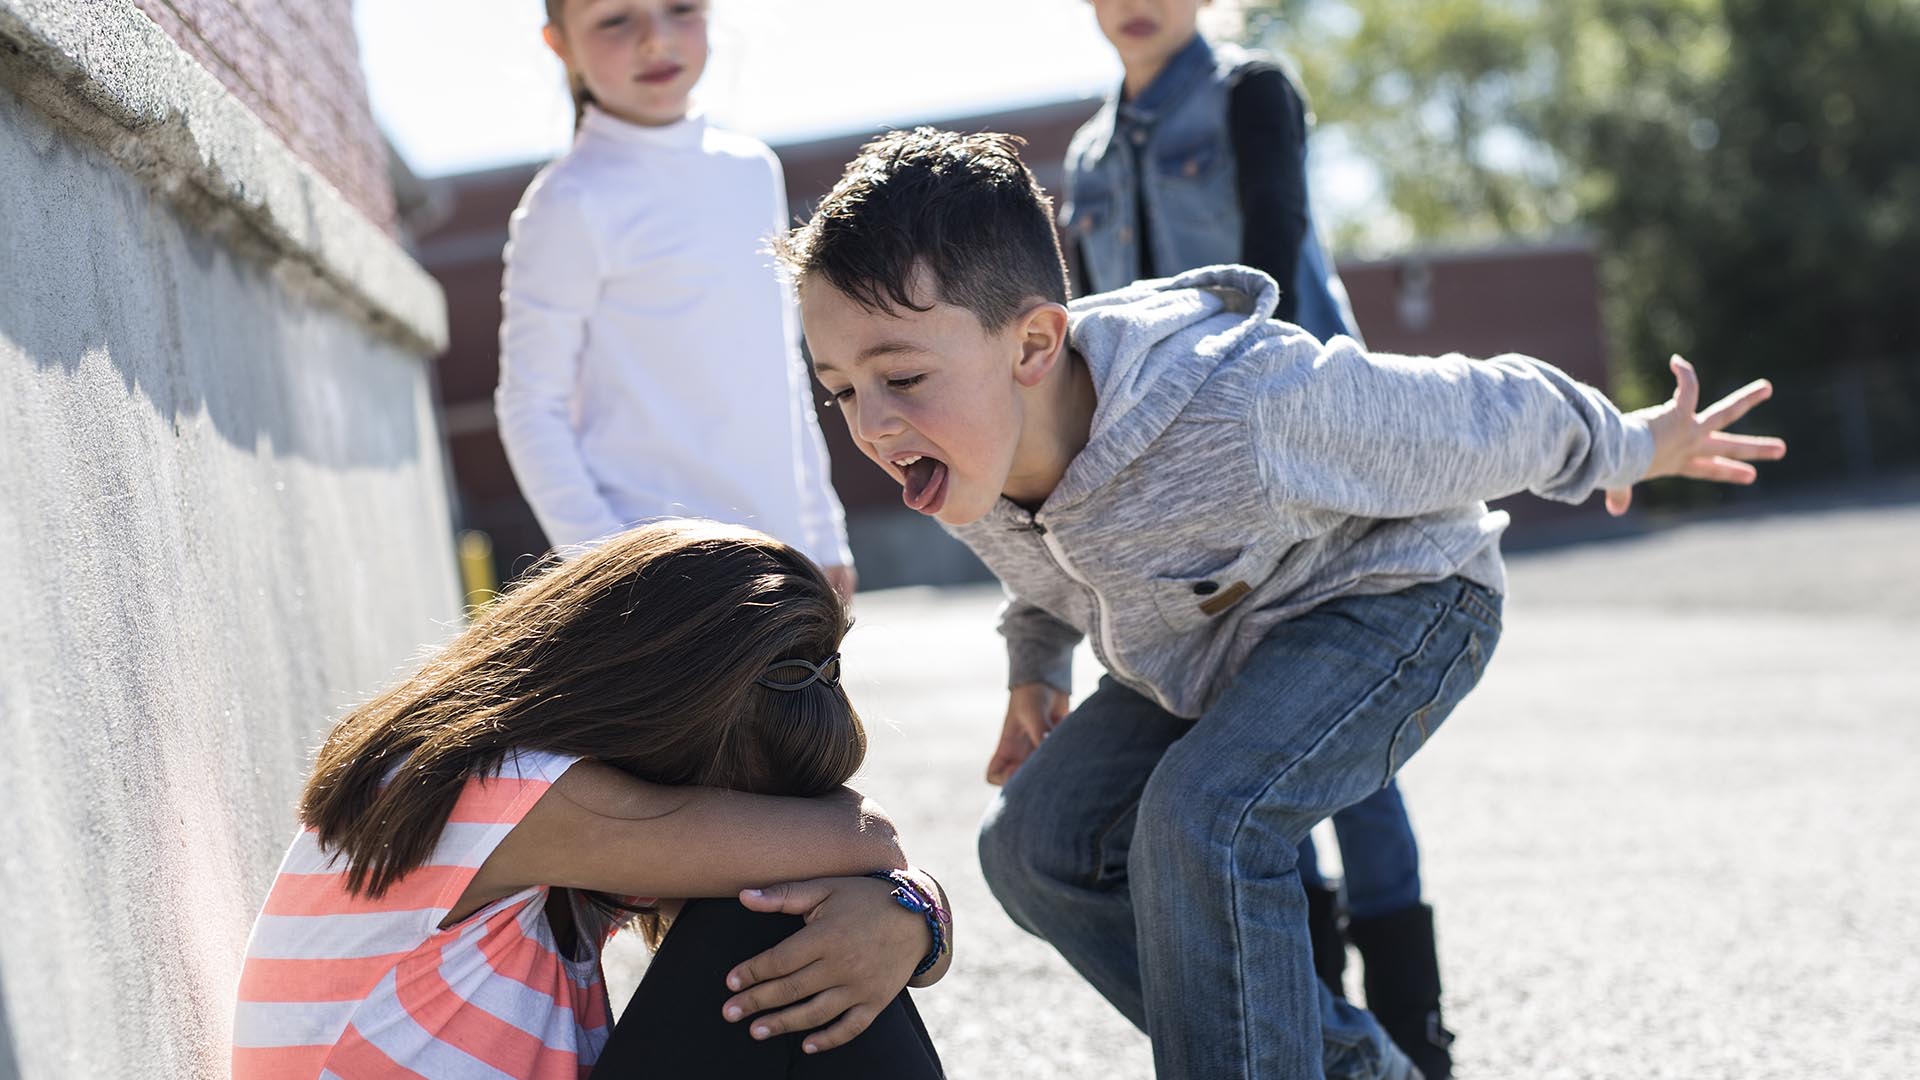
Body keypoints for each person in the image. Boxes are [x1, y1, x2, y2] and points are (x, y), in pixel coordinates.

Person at [778, 127, 1784, 1079]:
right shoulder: (959, 448)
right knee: (1035, 847)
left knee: (1203, 817)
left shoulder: (1245, 405)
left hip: (1400, 602)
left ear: (1034, 346)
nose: (872, 423)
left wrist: (1636, 445)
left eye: (899, 375)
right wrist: (1033, 671)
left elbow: (1481, 410)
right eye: (839, 390)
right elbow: (1046, 564)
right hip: (1215, 645)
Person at [1061, 2, 1446, 1070]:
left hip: (1307, 452)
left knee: (1343, 747)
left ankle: (1416, 1030)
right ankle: (1320, 1024)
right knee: (1248, 736)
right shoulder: (1088, 153)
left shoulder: (1249, 92)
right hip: (1179, 488)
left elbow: (1277, 256)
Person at [231, 520, 950, 1079]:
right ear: (658, 720)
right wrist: (906, 901)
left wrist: (908, 918)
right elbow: (869, 842)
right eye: (735, 805)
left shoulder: (533, 811)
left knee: (810, 926)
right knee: (768, 919)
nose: (749, 830)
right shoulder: (489, 787)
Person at [496, 0, 856, 597]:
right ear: (560, 44)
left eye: (680, 9)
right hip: (662, 580)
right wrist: (611, 569)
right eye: (615, 19)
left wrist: (822, 532)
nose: (654, 40)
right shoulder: (568, 200)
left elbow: (780, 367)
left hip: (784, 558)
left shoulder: (751, 170)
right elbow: (531, 406)